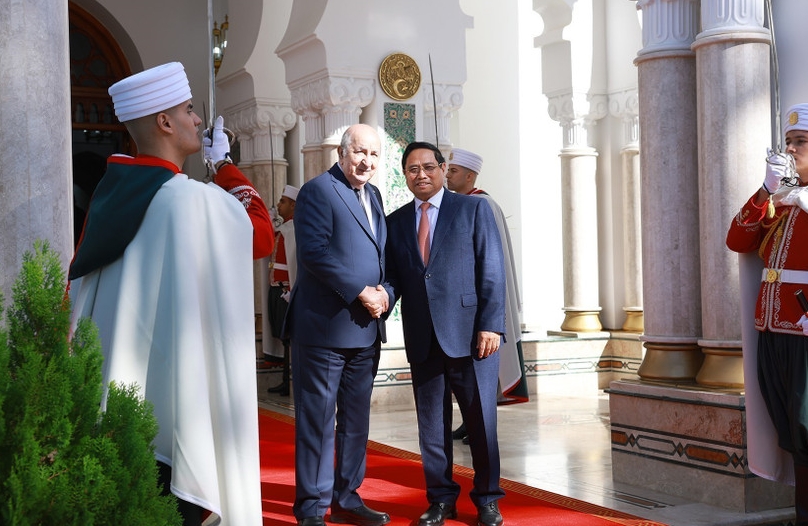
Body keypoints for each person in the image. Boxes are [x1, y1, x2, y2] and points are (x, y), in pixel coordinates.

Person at [68, 62, 274, 526]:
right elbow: (259, 235)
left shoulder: (109, 193)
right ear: (164, 123)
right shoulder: (189, 201)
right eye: (187, 110)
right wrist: (223, 167)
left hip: (114, 395)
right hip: (174, 404)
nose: (198, 120)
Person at [385, 141, 506, 526]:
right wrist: (377, 298)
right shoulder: (396, 221)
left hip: (472, 337)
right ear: (404, 176)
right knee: (431, 426)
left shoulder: (473, 209)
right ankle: (441, 499)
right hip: (423, 337)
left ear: (442, 168)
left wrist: (491, 324)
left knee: (480, 422)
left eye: (428, 166)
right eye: (411, 169)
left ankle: (487, 498)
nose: (421, 174)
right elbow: (393, 280)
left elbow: (492, 269)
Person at [284, 123, 393, 526]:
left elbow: (384, 257)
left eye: (374, 154)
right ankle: (311, 509)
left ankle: (346, 497)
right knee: (317, 421)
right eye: (360, 152)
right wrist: (361, 291)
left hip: (366, 330)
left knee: (355, 421)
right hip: (324, 330)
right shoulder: (317, 191)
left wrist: (386, 293)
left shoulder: (375, 195)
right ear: (342, 153)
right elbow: (314, 253)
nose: (367, 161)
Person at [726, 103, 808, 523]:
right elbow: (737, 239)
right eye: (789, 142)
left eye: (802, 142)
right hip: (773, 328)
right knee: (789, 428)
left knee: (807, 428)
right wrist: (764, 191)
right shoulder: (782, 199)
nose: (791, 150)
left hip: (805, 330)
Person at [445, 147, 529, 444]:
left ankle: (481, 425)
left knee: (480, 371)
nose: (447, 175)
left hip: (479, 302)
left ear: (470, 176)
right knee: (462, 371)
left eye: (453, 171)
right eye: (448, 170)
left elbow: (491, 261)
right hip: (458, 304)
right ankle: (469, 421)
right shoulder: (453, 203)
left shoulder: (484, 205)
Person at [262, 184, 299, 396]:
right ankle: (285, 379)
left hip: (287, 291)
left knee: (288, 338)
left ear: (293, 205)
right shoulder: (282, 229)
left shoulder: (294, 230)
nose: (279, 205)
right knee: (280, 335)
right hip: (276, 290)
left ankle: (289, 380)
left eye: (283, 202)